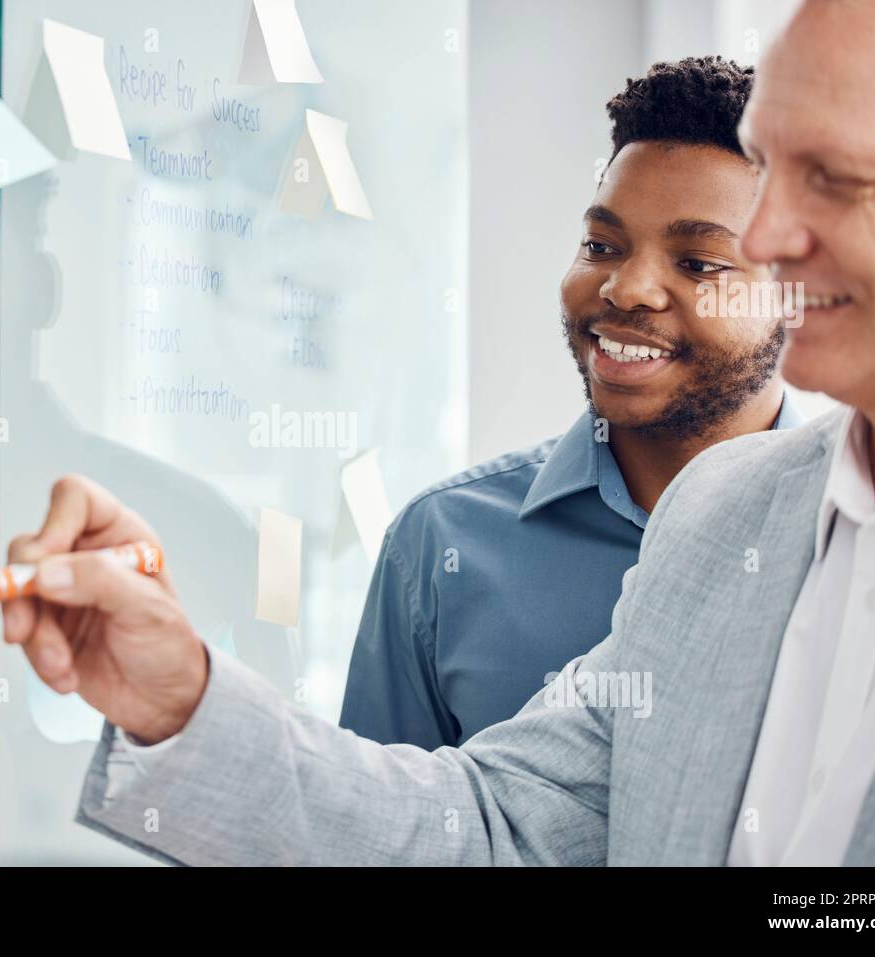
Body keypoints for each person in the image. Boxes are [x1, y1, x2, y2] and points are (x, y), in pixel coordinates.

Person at [2, 0, 875, 865]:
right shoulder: (721, 521)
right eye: (776, 171)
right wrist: (186, 704)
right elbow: (488, 823)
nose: (775, 237)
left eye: (832, 177)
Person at [341, 56, 802, 748]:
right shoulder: (441, 545)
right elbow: (372, 832)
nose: (625, 287)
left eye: (699, 263)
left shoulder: (865, 543)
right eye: (601, 244)